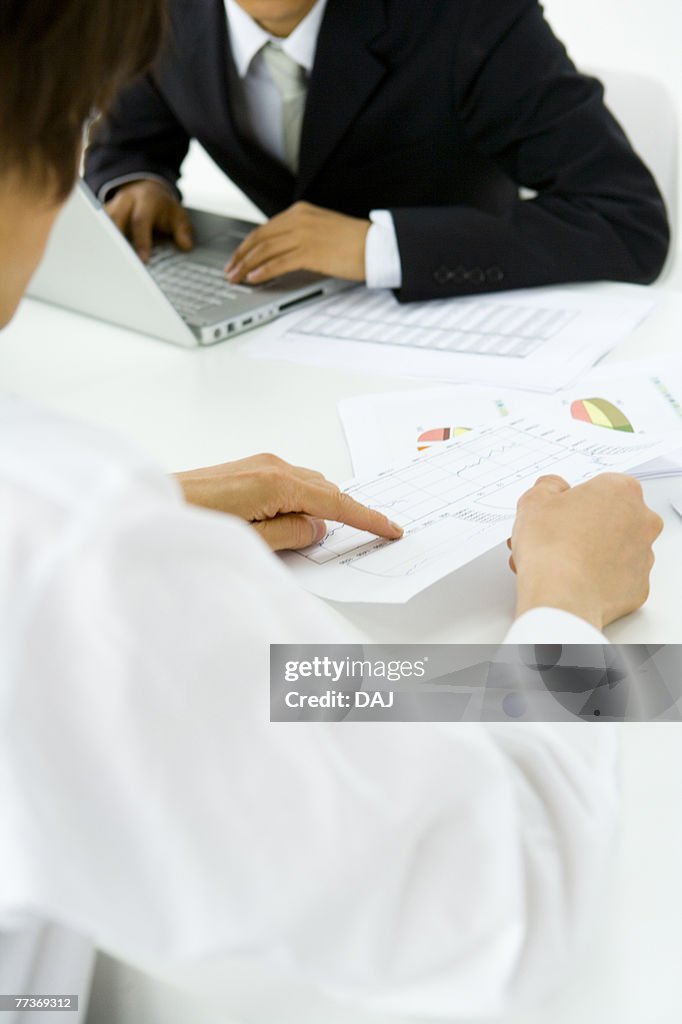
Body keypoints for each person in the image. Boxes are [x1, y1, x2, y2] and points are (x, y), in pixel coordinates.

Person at [0, 0, 665, 1019]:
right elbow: (502, 914)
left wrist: (153, 503)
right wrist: (569, 601)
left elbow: (626, 214)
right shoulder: (73, 549)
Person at [85, 0, 670, 299]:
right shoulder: (154, 12)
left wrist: (378, 246)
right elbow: (131, 138)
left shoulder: (471, 17)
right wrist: (140, 183)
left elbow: (628, 221)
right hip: (269, 333)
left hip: (449, 329)